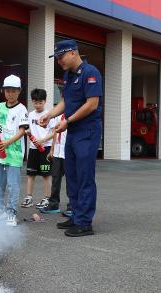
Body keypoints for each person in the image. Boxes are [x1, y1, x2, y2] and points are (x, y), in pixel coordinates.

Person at [40, 39, 103, 237]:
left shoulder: (90, 72)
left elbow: (92, 104)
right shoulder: (67, 76)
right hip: (73, 131)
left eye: (61, 57)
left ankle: (85, 223)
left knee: (84, 176)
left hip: (87, 130)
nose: (59, 61)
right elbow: (66, 102)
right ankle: (76, 216)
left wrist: (68, 121)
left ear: (73, 53)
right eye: (57, 58)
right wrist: (49, 114)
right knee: (73, 176)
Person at [0, 74, 29, 227]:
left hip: (15, 153)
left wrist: (7, 142)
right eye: (7, 91)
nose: (10, 94)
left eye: (13, 91)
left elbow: (22, 131)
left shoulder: (22, 109)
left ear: (19, 91)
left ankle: (11, 212)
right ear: (3, 91)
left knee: (13, 185)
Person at [20, 89, 55, 210]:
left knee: (46, 175)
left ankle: (46, 198)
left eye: (40, 102)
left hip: (45, 148)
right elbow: (28, 129)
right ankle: (29, 197)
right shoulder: (30, 115)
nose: (37, 105)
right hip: (33, 148)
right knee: (31, 174)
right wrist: (27, 132)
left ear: (45, 101)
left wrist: (43, 140)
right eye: (35, 102)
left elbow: (55, 132)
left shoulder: (49, 115)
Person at [39, 114, 70, 215]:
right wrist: (52, 149)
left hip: (68, 152)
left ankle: (72, 206)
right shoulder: (58, 116)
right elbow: (55, 132)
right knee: (55, 178)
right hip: (57, 151)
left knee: (71, 180)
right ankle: (54, 204)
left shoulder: (73, 114)